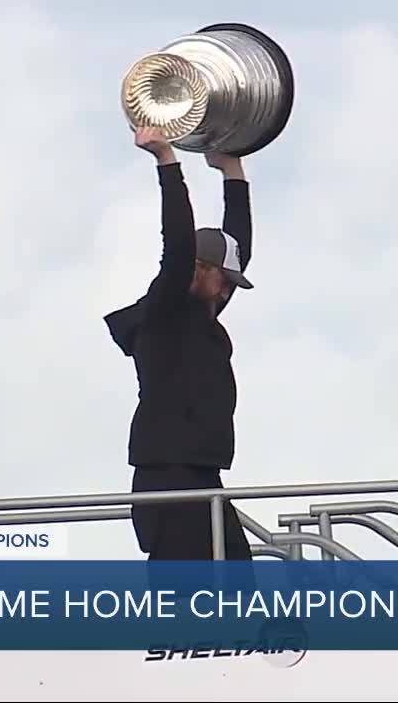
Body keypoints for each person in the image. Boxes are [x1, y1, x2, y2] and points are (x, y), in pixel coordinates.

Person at [103, 126, 255, 561]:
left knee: (239, 585)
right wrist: (167, 161)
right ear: (198, 269)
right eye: (223, 279)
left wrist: (233, 170)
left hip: (203, 473)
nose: (228, 290)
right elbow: (177, 245)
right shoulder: (165, 310)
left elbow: (239, 245)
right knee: (185, 601)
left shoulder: (205, 315)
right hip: (166, 475)